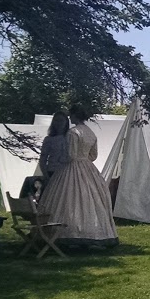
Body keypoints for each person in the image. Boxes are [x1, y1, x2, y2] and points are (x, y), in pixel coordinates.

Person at [38, 105, 118, 248]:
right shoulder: (90, 133)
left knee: (66, 199)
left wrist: (61, 161)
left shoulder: (73, 132)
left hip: (71, 167)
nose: (70, 118)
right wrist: (84, 159)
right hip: (88, 168)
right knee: (90, 199)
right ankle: (94, 232)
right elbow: (93, 156)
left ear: (75, 116)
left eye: (71, 115)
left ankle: (67, 233)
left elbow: (70, 155)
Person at [39, 112, 72, 183]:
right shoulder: (49, 139)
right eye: (56, 120)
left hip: (67, 172)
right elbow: (43, 159)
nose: (59, 123)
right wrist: (46, 175)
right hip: (52, 171)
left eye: (61, 120)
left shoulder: (71, 138)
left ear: (66, 122)